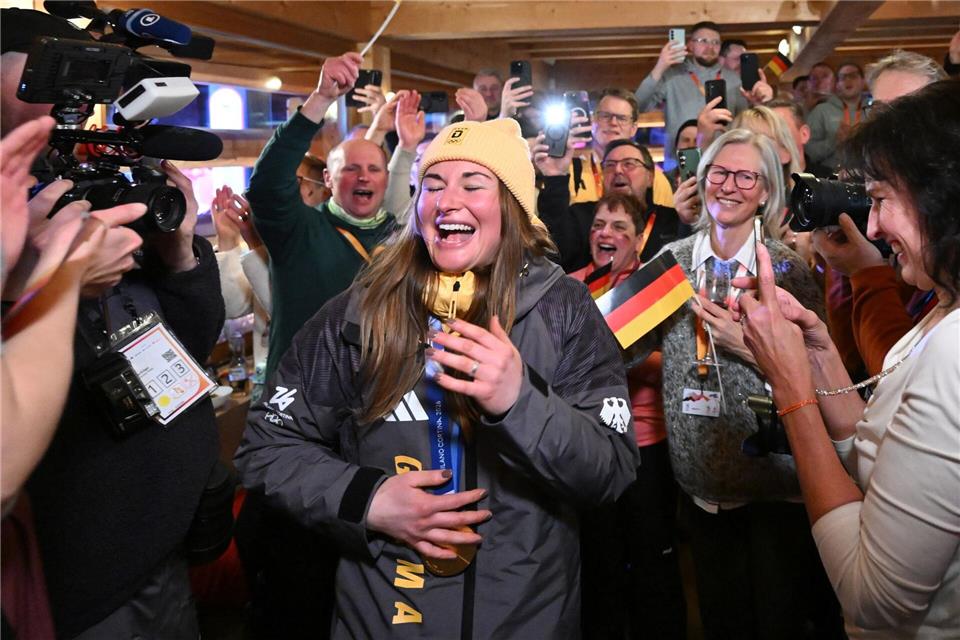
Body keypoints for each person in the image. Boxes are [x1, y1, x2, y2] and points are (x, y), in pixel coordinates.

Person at [236, 117, 639, 639]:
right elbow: (267, 446)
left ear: (512, 208)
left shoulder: (564, 310)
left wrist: (521, 402)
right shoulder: (361, 310)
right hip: (383, 619)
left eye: (473, 184)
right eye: (432, 184)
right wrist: (369, 500)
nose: (448, 201)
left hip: (525, 620)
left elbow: (611, 467)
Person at [735, 79, 960, 637]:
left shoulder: (954, 350)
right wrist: (819, 359)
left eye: (881, 199)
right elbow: (887, 461)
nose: (873, 226)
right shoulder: (943, 306)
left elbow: (875, 599)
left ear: (939, 198)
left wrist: (792, 393)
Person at [652, 128, 843, 638]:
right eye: (719, 172)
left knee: (780, 621)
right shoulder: (670, 264)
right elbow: (612, 343)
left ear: (765, 193)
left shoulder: (787, 268)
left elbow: (823, 376)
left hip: (779, 489)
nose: (729, 186)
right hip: (703, 488)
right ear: (702, 178)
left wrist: (747, 347)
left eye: (746, 176)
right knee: (722, 622)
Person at [241, 51, 399, 640]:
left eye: (374, 170)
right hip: (299, 431)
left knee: (359, 585)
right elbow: (268, 180)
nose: (363, 178)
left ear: (387, 180)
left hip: (372, 428)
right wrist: (319, 102)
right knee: (292, 589)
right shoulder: (298, 228)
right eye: (350, 169)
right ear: (329, 179)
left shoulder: (399, 239)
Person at [568, 193, 687, 639]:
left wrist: (620, 352)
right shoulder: (570, 286)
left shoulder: (653, 290)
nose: (606, 233)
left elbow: (674, 367)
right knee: (599, 561)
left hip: (645, 444)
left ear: (639, 240)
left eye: (620, 227)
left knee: (653, 561)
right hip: (587, 441)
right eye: (599, 224)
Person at [813, 51, 947, 377]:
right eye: (879, 111)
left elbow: (901, 379)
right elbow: (858, 372)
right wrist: (843, 266)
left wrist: (865, 273)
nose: (886, 129)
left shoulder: (942, 225)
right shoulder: (879, 214)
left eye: (906, 112)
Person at [536, 136, 689, 273]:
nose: (617, 170)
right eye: (609, 165)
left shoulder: (673, 220)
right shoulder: (581, 215)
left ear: (650, 177)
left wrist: (687, 223)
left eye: (629, 164)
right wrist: (555, 176)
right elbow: (552, 253)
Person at [635, 21, 772, 169]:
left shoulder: (734, 79)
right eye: (703, 41)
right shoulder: (672, 76)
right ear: (690, 45)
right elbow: (638, 106)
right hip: (679, 163)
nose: (710, 47)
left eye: (715, 42)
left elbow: (745, 124)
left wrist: (758, 104)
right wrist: (661, 65)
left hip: (724, 161)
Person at [806, 62, 867, 172]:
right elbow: (809, 152)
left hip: (868, 175)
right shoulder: (822, 111)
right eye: (843, 77)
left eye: (853, 76)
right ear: (837, 84)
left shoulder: (873, 111)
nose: (848, 81)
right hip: (832, 176)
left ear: (863, 81)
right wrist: (835, 141)